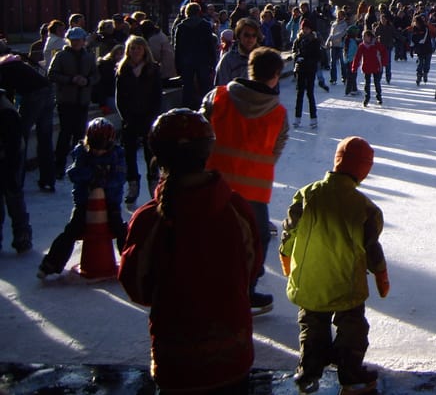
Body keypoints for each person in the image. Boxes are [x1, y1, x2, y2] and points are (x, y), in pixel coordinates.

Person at [119, 108, 263, 394]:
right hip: (232, 354)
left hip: (176, 359)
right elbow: (251, 267)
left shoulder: (150, 220)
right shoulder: (236, 209)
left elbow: (137, 286)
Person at [280, 135, 389, 395]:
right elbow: (371, 247)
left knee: (312, 324)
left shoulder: (307, 195)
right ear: (364, 169)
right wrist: (381, 274)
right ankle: (351, 374)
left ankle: (309, 371)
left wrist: (285, 258)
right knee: (352, 327)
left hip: (310, 281)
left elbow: (288, 232)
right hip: (346, 284)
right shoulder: (364, 208)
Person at [202, 47, 289, 314]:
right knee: (256, 239)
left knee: (211, 238)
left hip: (213, 184)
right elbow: (275, 149)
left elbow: (200, 131)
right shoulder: (278, 114)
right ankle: (246, 289)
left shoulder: (218, 97)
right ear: (275, 76)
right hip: (254, 190)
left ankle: (209, 287)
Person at [38, 117, 127, 278]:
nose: (98, 151)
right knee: (72, 230)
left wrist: (104, 181)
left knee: (120, 230)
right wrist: (91, 175)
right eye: (95, 147)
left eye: (103, 148)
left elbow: (120, 177)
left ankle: (131, 263)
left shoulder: (117, 155)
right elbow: (73, 173)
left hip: (110, 203)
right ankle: (51, 263)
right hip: (84, 203)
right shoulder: (82, 153)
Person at [115, 35, 163, 207]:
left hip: (148, 117)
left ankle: (153, 184)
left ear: (144, 51)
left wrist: (153, 116)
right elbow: (119, 98)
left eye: (138, 48)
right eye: (132, 48)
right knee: (129, 153)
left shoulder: (153, 69)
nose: (135, 51)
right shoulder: (123, 70)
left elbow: (157, 97)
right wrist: (126, 117)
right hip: (130, 118)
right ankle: (133, 185)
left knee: (150, 154)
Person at [0, 51, 57, 192]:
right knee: (45, 137)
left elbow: (6, 96)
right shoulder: (19, 64)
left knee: (19, 137)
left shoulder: (4, 70)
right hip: (48, 92)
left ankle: (17, 182)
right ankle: (48, 179)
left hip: (33, 96)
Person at [48, 26, 99, 179]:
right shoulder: (61, 56)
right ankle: (59, 166)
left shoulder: (89, 57)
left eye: (79, 40)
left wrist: (87, 81)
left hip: (82, 100)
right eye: (73, 40)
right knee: (65, 134)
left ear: (83, 41)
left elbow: (96, 75)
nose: (76, 43)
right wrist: (70, 80)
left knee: (80, 134)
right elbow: (52, 74)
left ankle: (80, 163)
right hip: (66, 100)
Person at [0, 92, 32, 254]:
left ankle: (22, 235)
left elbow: (13, 146)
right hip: (6, 154)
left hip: (10, 157)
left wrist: (11, 173)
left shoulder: (6, 112)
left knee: (13, 196)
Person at [173, 1, 218, 109]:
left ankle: (186, 111)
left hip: (186, 61)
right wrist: (213, 62)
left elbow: (177, 48)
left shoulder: (181, 27)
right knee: (205, 88)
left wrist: (178, 66)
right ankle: (206, 110)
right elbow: (210, 45)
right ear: (199, 12)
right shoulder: (205, 26)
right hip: (203, 60)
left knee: (187, 88)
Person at [215, 17, 263, 87]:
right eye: (246, 35)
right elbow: (221, 87)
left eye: (254, 35)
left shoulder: (263, 58)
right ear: (239, 35)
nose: (250, 39)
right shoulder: (228, 59)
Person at [293, 17, 323, 126]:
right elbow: (294, 52)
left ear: (310, 29)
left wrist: (308, 60)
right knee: (299, 93)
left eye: (307, 28)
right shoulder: (298, 40)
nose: (305, 30)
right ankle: (297, 117)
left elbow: (318, 56)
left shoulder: (314, 41)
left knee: (310, 93)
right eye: (303, 28)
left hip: (310, 69)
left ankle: (313, 118)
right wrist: (297, 57)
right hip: (300, 69)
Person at [352, 29, 389, 108]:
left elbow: (384, 51)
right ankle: (367, 98)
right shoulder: (362, 46)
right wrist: (354, 67)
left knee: (377, 83)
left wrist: (384, 62)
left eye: (366, 37)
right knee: (367, 84)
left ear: (370, 37)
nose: (365, 39)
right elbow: (357, 57)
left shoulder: (376, 44)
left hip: (376, 66)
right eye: (364, 37)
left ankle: (379, 97)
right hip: (366, 67)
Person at [326, 8, 350, 86]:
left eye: (341, 15)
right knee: (332, 62)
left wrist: (333, 37)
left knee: (342, 62)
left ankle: (344, 77)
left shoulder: (344, 24)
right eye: (338, 15)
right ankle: (333, 78)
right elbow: (330, 34)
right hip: (333, 45)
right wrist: (328, 41)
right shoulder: (334, 24)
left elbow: (342, 34)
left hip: (340, 45)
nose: (339, 17)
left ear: (343, 16)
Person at [409, 13, 434, 85]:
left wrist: (417, 44)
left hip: (427, 49)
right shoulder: (414, 29)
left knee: (427, 64)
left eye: (416, 22)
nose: (415, 23)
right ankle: (419, 75)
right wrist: (411, 49)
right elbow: (413, 39)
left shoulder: (425, 28)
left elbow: (423, 39)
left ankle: (425, 73)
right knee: (420, 63)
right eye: (414, 22)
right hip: (420, 50)